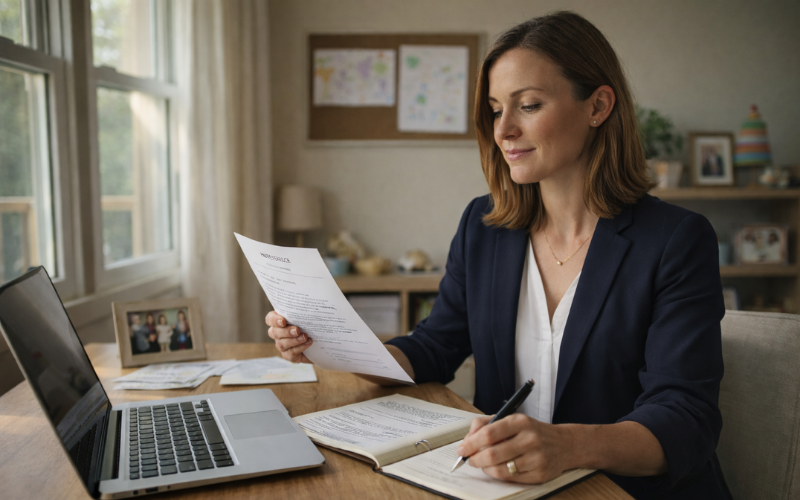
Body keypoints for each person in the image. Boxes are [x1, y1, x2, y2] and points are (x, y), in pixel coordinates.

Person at [266, 11, 730, 500]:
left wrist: (567, 445)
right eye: (494, 109)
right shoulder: (484, 227)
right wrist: (330, 343)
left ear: (598, 106)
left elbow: (686, 419)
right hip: (504, 487)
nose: (503, 129)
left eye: (528, 105)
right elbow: (435, 347)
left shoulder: (676, 239)